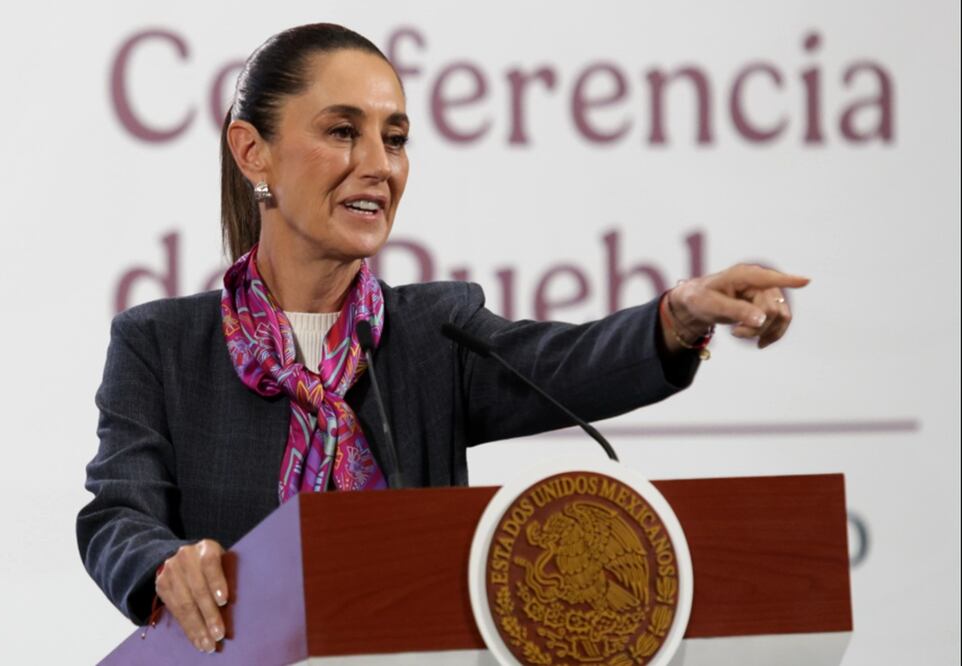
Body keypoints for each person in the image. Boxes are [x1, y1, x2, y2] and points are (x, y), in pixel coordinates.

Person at [77, 23, 809, 655]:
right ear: (252, 152)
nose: (379, 164)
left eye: (394, 139)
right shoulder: (161, 345)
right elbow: (118, 514)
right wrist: (165, 564)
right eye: (342, 131)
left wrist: (677, 317)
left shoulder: (433, 334)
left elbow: (569, 363)